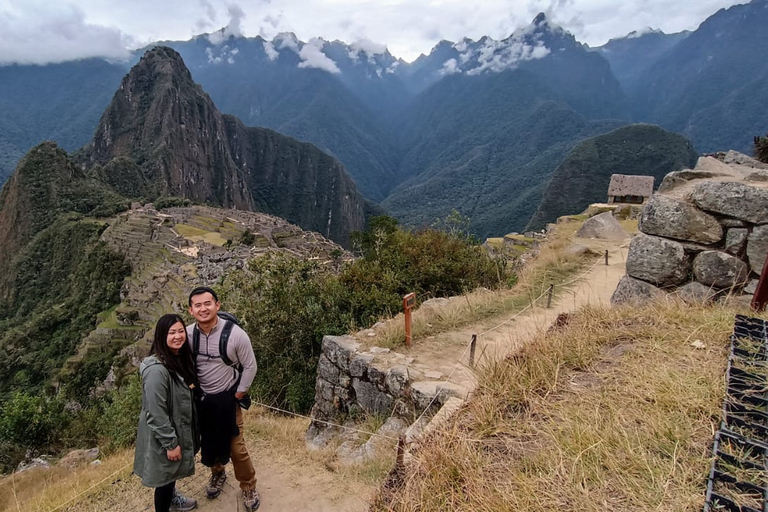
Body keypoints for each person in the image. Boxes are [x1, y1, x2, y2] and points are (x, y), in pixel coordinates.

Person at [187, 286, 260, 511]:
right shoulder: (188, 335)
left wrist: (238, 394)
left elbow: (250, 366)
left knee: (237, 449)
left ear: (217, 305)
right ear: (191, 310)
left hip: (228, 401)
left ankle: (248, 485)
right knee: (209, 444)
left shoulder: (235, 334)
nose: (203, 308)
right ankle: (218, 473)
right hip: (203, 403)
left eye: (207, 303)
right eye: (197, 305)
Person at [134, 314, 200, 512]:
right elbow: (156, 411)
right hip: (163, 435)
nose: (178, 336)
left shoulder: (176, 359)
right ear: (161, 336)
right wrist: (170, 443)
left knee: (170, 474)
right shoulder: (156, 370)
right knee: (163, 480)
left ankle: (173, 499)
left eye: (181, 331)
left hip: (175, 428)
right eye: (172, 332)